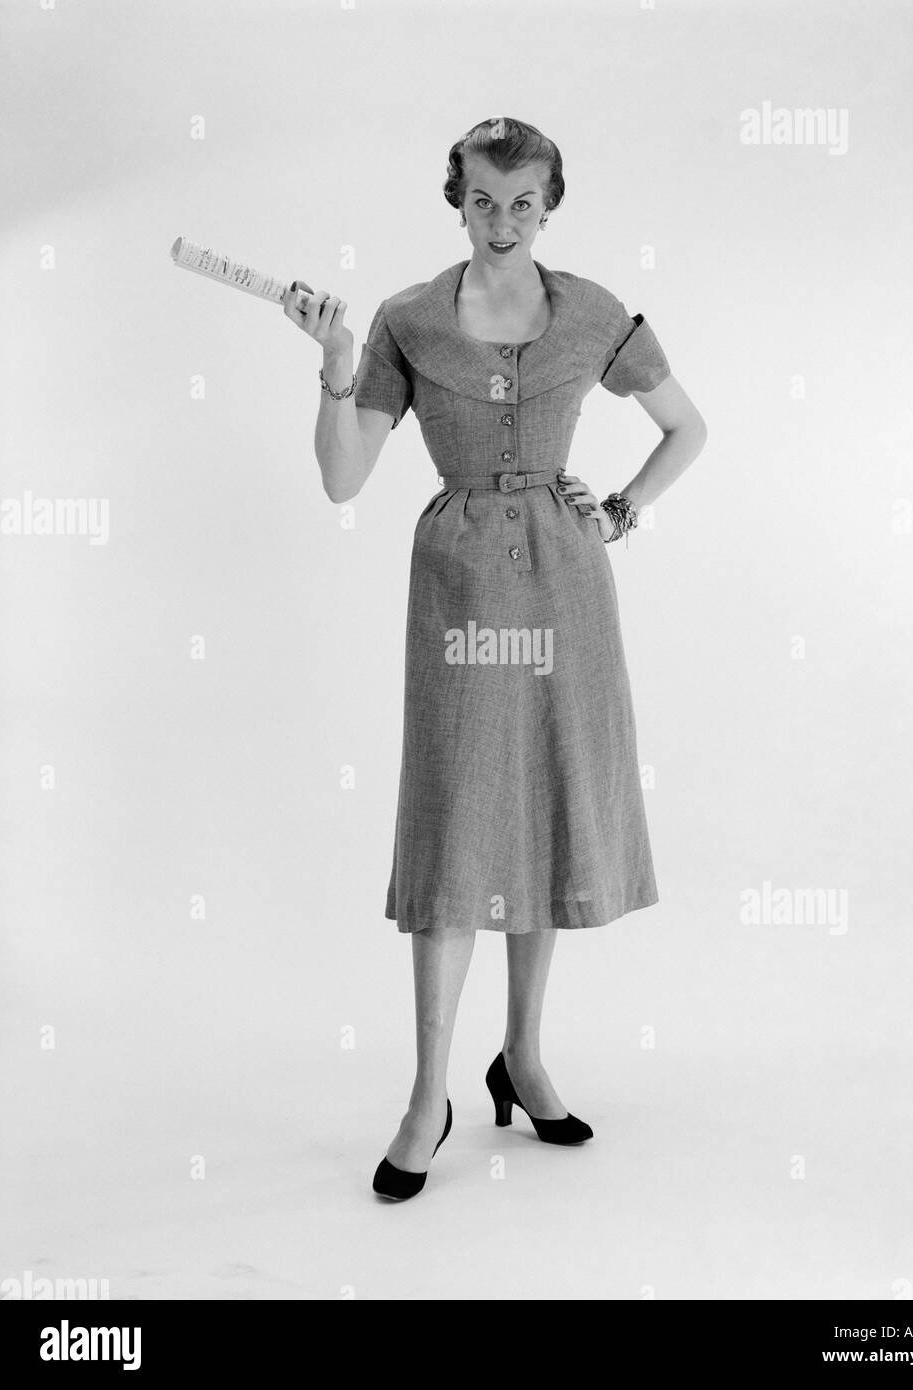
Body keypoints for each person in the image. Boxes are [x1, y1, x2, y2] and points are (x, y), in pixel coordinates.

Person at [284, 116, 708, 1201]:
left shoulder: (596, 313)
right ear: (456, 201)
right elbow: (343, 480)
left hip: (567, 588)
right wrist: (337, 369)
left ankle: (520, 1054)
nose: (504, 223)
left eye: (524, 203)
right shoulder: (407, 321)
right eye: (484, 201)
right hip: (461, 591)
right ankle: (429, 1096)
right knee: (455, 818)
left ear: (550, 204)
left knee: (543, 811)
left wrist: (619, 513)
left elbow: (686, 428)